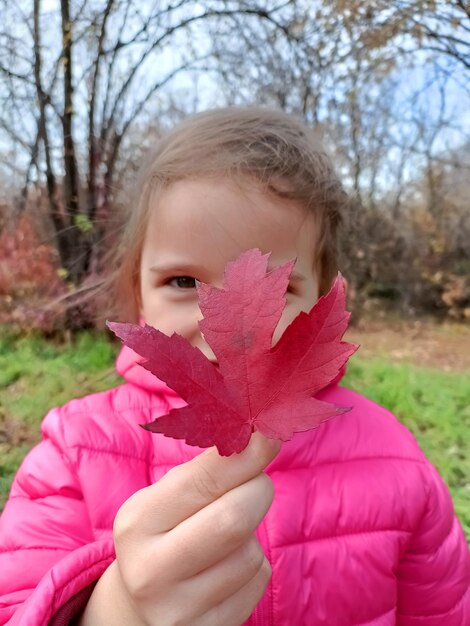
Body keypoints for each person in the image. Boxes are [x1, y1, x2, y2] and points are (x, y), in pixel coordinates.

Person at [0, 107, 468, 626]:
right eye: (182, 282)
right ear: (135, 298)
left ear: (328, 307)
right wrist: (114, 612)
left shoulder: (397, 463)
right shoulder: (72, 455)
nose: (222, 329)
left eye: (275, 288)